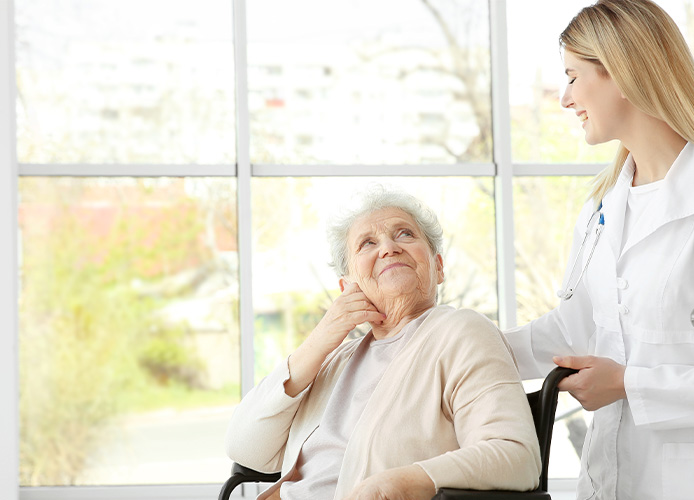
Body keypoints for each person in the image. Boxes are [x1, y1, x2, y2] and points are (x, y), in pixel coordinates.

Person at [502, 1, 694, 499]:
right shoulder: (602, 205)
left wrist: (628, 385)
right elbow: (574, 330)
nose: (564, 97)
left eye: (574, 76)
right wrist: (460, 348)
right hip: (612, 476)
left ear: (622, 71)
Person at [225, 187, 540, 500]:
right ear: (347, 286)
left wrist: (407, 482)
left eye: (404, 234)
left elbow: (516, 457)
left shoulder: (461, 333)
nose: (389, 248)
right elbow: (246, 448)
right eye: (367, 243)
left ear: (439, 266)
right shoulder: (337, 359)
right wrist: (320, 341)